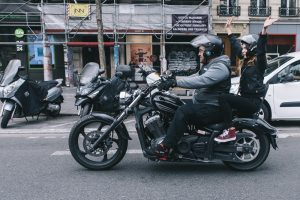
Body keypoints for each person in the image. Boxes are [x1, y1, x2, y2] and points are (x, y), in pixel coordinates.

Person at [149, 34, 232, 158]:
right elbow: (194, 77)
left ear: (210, 52)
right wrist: (173, 79)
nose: (198, 54)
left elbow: (201, 81)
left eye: (201, 51)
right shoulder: (210, 65)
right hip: (206, 106)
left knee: (183, 111)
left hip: (213, 108)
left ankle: (165, 147)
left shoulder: (220, 67)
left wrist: (175, 82)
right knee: (176, 106)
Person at [215, 16, 278, 143]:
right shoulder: (246, 60)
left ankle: (229, 130)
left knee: (223, 98)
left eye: (245, 47)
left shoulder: (259, 63)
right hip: (246, 98)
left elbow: (261, 50)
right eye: (243, 47)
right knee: (223, 99)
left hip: (252, 102)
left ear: (252, 48)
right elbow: (236, 46)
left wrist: (264, 30)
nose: (242, 50)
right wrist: (228, 30)